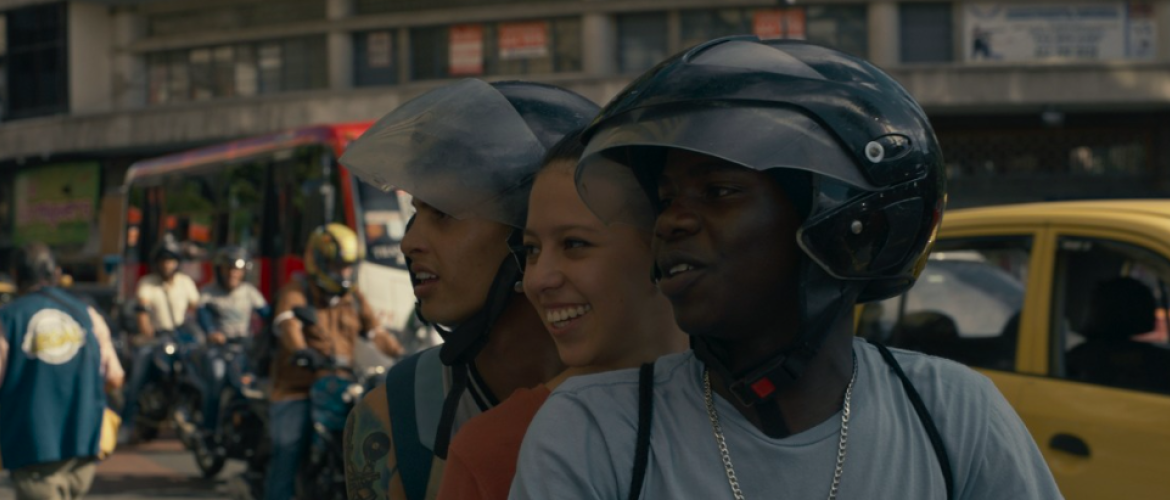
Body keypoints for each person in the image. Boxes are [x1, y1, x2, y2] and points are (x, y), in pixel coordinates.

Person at [511, 37, 1063, 499]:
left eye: (718, 191)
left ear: (846, 223)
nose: (671, 222)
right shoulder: (594, 430)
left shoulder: (953, 415)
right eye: (665, 197)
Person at [339, 79, 599, 500]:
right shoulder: (396, 415)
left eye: (443, 212)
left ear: (530, 231)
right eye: (416, 212)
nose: (409, 242)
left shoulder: (661, 392)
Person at [436, 130, 688, 500]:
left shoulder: (765, 411)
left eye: (574, 244)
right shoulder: (494, 449)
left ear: (662, 247)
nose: (538, 279)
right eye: (532, 250)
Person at [264, 223, 404, 500]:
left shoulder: (352, 297)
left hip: (339, 385)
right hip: (298, 387)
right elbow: (287, 322)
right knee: (289, 444)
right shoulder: (298, 289)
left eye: (348, 266)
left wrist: (404, 356)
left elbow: (376, 332)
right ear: (318, 261)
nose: (344, 272)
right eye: (338, 265)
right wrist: (301, 350)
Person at [0, 243, 124, 500]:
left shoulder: (8, 318)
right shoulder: (88, 314)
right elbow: (115, 377)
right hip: (83, 446)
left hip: (32, 447)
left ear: (15, 274)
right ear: (56, 273)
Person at [119, 239, 201, 441]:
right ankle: (126, 424)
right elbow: (142, 313)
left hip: (179, 336)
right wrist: (147, 334)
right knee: (137, 376)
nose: (167, 265)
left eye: (171, 260)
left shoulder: (185, 282)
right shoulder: (147, 283)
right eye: (164, 260)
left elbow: (195, 308)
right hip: (155, 338)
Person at [194, 246, 270, 440]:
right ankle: (208, 428)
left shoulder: (249, 292)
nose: (232, 274)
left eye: (237, 270)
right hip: (219, 348)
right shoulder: (210, 293)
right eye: (229, 269)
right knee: (217, 380)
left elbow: (267, 314)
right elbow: (203, 316)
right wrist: (212, 332)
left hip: (243, 347)